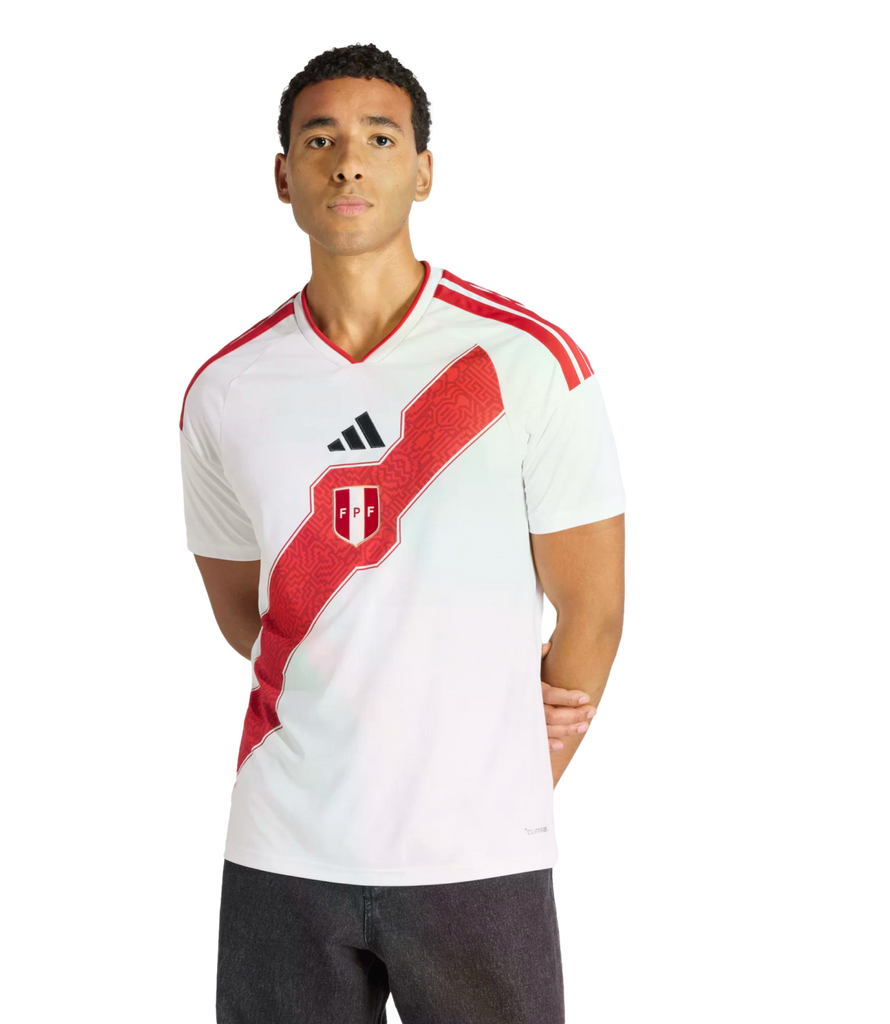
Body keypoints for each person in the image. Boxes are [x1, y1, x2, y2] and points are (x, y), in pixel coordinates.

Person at [178, 41, 628, 1023]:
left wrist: (515, 771)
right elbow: (242, 608)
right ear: (281, 177)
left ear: (424, 171)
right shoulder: (223, 389)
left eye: (380, 138)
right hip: (280, 847)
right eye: (320, 139)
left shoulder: (530, 359)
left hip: (476, 855)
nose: (349, 162)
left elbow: (592, 609)